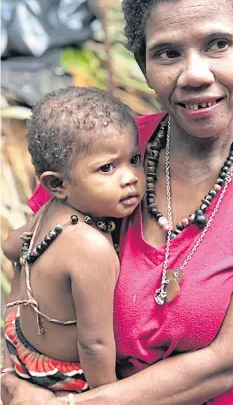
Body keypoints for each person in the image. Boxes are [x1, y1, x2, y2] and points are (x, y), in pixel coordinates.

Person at [2, 0, 233, 405]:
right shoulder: (100, 150)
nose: (195, 73)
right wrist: (16, 374)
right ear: (144, 68)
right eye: (167, 53)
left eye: (218, 44)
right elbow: (32, 267)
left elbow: (229, 361)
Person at [2, 87, 145, 397]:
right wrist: (108, 397)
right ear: (57, 184)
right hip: (60, 375)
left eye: (134, 159)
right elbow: (93, 344)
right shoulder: (91, 248)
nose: (130, 177)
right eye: (107, 168)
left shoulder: (51, 212)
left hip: (21, 344)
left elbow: (11, 246)